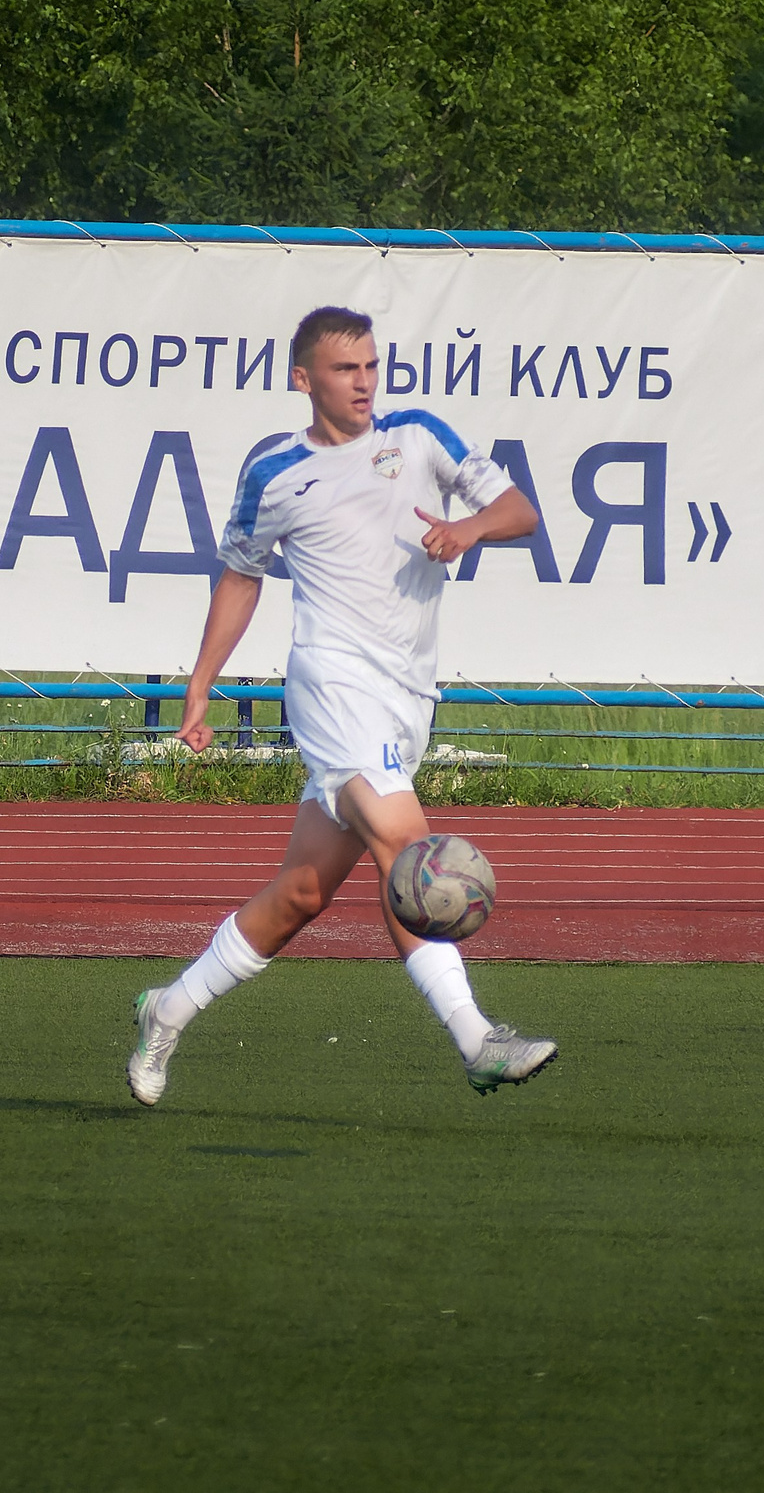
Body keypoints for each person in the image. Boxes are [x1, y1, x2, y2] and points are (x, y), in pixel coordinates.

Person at [127, 306, 559, 1106]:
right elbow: (241, 577)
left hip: (406, 696)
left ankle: (169, 1008)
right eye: (344, 368)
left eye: (370, 366)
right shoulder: (275, 472)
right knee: (410, 850)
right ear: (304, 378)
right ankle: (477, 1039)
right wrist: (199, 686)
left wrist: (468, 530)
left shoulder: (419, 436)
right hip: (330, 685)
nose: (363, 382)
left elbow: (521, 512)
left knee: (301, 895)